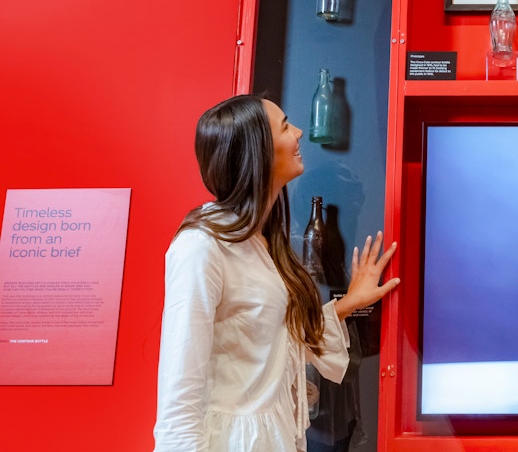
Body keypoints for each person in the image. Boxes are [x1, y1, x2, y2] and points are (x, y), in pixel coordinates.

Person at [153, 95, 400, 452]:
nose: (299, 132)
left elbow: (280, 338)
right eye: (285, 126)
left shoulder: (262, 243)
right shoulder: (201, 247)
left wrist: (348, 304)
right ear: (257, 152)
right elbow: (179, 394)